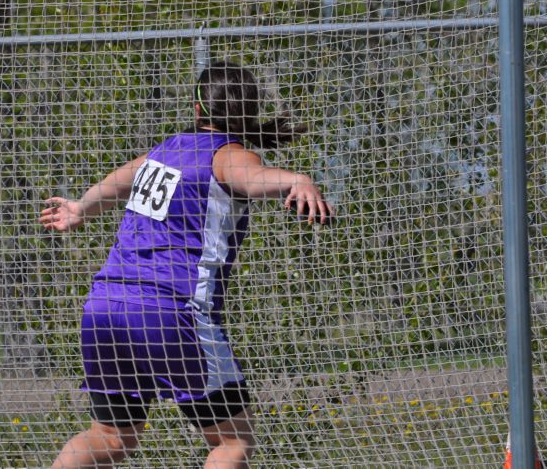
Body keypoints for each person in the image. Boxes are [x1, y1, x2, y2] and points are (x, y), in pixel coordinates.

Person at [40, 61, 333, 468]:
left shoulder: (162, 152)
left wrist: (79, 209)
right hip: (169, 312)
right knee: (231, 442)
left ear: (197, 109)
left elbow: (116, 183)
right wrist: (296, 179)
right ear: (248, 110)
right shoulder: (228, 155)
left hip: (104, 308)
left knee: (109, 438)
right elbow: (253, 177)